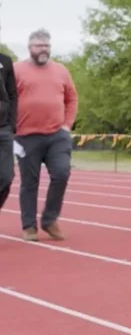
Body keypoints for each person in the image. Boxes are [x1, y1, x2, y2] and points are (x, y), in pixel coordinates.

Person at [13, 29, 78, 241]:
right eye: (39, 46)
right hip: (25, 136)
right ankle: (29, 226)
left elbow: (71, 99)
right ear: (29, 47)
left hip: (57, 135)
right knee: (29, 182)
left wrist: (67, 125)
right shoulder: (15, 70)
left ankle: (50, 220)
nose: (44, 49)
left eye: (47, 46)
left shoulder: (61, 71)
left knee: (61, 173)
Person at [0, 47, 17, 218]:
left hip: (3, 128)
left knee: (6, 176)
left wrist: (12, 125)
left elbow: (12, 94)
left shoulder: (5, 61)